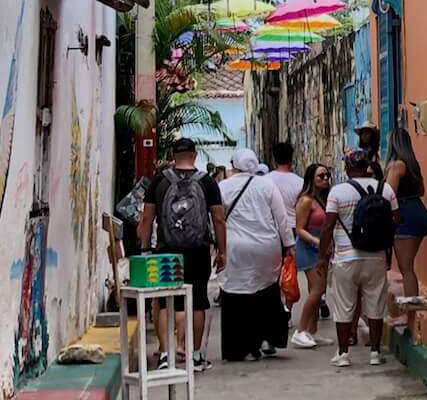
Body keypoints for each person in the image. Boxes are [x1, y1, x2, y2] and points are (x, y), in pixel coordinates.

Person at [138, 137, 224, 371]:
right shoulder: (206, 182)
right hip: (198, 250)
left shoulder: (159, 181)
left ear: (174, 156)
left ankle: (166, 354)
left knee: (166, 300)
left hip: (166, 251)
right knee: (198, 301)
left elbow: (147, 218)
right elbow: (218, 218)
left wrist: (145, 249)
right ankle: (195, 356)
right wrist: (222, 251)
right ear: (195, 156)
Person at [216, 148, 294, 363]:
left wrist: (216, 247)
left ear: (235, 164)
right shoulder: (267, 184)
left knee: (236, 296)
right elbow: (282, 218)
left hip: (235, 246)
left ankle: (241, 348)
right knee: (265, 291)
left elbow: (216, 218)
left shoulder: (223, 186)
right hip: (266, 247)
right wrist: (289, 243)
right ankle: (268, 338)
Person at [320, 150, 397, 368]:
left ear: (347, 168)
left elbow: (327, 227)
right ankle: (375, 352)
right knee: (376, 305)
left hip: (346, 256)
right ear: (368, 166)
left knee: (344, 305)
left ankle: (343, 353)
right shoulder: (385, 188)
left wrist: (322, 257)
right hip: (377, 257)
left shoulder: (338, 191)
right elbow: (396, 218)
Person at [383, 123, 427, 305]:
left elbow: (389, 194)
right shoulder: (413, 166)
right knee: (409, 265)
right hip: (418, 211)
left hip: (404, 215)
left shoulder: (396, 166)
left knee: (406, 268)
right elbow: (422, 190)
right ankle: (410, 306)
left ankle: (411, 309)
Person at [290, 162, 331, 348]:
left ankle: (311, 330)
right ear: (311, 179)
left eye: (327, 175)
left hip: (321, 248)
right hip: (309, 248)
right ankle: (300, 330)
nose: (325, 179)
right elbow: (300, 229)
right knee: (317, 290)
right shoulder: (306, 200)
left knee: (320, 290)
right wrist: (317, 242)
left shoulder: (321, 199)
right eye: (320, 176)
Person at [267, 142, 300, 223]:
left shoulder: (264, 180)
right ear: (291, 159)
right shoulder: (301, 182)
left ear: (274, 160)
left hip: (271, 226)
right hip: (292, 225)